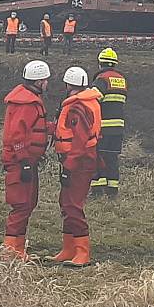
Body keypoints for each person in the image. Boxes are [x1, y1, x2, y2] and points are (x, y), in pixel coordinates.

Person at [1, 60, 53, 261]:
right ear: (39, 81)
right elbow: (17, 135)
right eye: (45, 80)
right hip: (21, 162)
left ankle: (17, 249)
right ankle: (11, 250)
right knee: (21, 205)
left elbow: (33, 128)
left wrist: (54, 127)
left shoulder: (27, 100)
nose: (47, 84)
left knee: (28, 203)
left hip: (26, 161)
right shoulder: (27, 103)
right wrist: (23, 161)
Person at [50, 66, 102, 267]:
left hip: (79, 163)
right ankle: (69, 248)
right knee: (66, 202)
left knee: (73, 204)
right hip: (81, 160)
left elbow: (79, 141)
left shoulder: (77, 107)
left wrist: (69, 166)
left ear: (68, 84)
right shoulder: (88, 103)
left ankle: (82, 251)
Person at [90, 48, 127, 199]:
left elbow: (92, 100)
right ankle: (112, 191)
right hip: (118, 128)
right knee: (112, 159)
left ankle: (97, 191)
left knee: (98, 157)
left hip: (103, 127)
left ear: (100, 63)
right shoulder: (121, 80)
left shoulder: (102, 79)